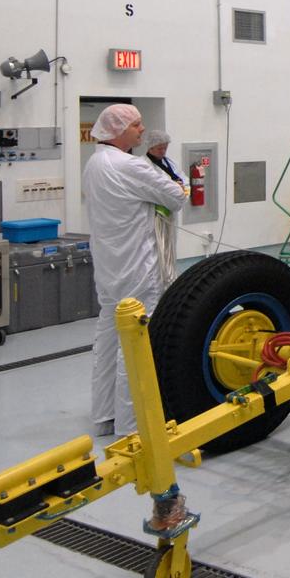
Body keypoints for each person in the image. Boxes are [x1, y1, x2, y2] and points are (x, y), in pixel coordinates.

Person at [84, 104, 186, 436]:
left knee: (108, 341)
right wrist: (176, 185)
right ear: (118, 130)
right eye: (137, 125)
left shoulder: (95, 163)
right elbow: (176, 197)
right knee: (138, 344)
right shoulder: (128, 166)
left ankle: (103, 419)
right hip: (138, 270)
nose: (143, 131)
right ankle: (132, 426)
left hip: (109, 268)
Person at [142, 129, 188, 289]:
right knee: (158, 252)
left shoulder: (170, 163)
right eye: (160, 148)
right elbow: (152, 189)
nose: (163, 151)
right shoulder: (143, 165)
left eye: (165, 147)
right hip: (155, 217)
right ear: (150, 147)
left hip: (171, 214)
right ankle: (158, 286)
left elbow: (183, 180)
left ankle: (170, 283)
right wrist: (174, 190)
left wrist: (182, 189)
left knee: (170, 250)